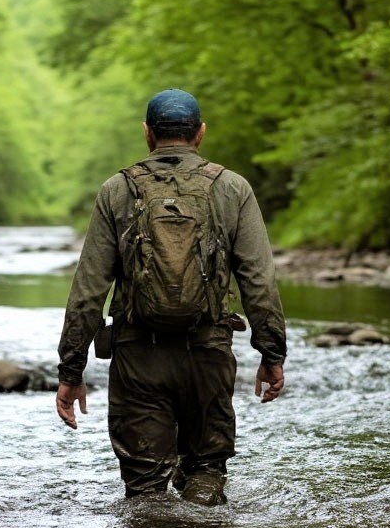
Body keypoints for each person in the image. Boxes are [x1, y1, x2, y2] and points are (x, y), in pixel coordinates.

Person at [55, 88, 287, 505]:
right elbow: (259, 281)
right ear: (200, 133)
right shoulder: (233, 188)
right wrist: (272, 354)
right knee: (205, 473)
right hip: (208, 355)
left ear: (147, 133)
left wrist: (71, 371)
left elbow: (89, 290)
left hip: (138, 358)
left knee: (144, 491)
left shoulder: (117, 190)